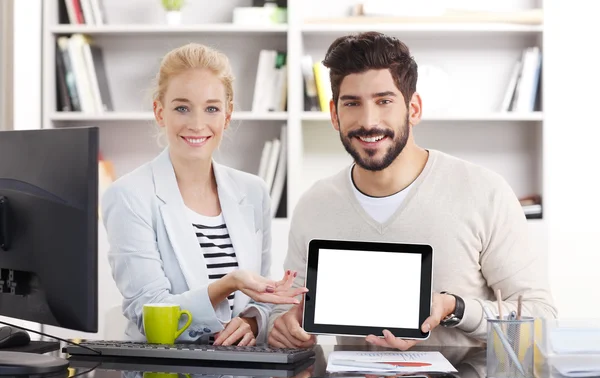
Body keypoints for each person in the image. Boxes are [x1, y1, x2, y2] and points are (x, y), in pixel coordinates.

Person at [267, 31, 557, 350]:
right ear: (335, 114)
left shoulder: (485, 193)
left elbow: (541, 322)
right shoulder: (315, 205)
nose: (368, 121)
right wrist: (286, 327)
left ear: (414, 108)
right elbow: (286, 310)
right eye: (352, 103)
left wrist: (455, 308)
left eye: (384, 101)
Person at [102, 43, 307, 346]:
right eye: (182, 108)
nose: (197, 124)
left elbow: (260, 303)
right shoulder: (129, 195)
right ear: (160, 112)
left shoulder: (253, 192)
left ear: (227, 114)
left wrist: (252, 321)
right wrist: (229, 283)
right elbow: (150, 315)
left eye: (211, 108)